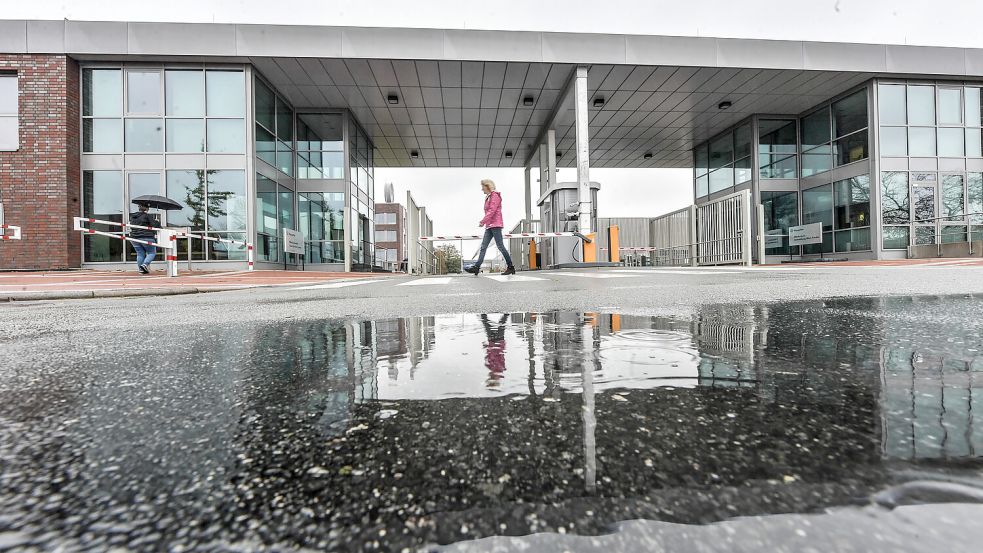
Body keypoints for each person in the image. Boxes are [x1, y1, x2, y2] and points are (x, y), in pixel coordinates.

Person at [465, 179, 515, 276]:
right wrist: (486, 223)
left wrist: (482, 221)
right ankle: (477, 267)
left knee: (500, 246)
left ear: (487, 186)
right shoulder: (488, 197)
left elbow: (492, 211)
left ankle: (510, 267)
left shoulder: (495, 196)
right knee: (483, 247)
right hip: (489, 226)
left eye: (482, 186)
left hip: (495, 225)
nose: (481, 189)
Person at [129, 203, 159, 274]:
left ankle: (141, 270)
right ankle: (145, 265)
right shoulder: (147, 216)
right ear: (147, 208)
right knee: (151, 252)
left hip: (134, 238)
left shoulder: (133, 216)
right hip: (146, 237)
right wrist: (157, 222)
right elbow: (154, 225)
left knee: (140, 254)